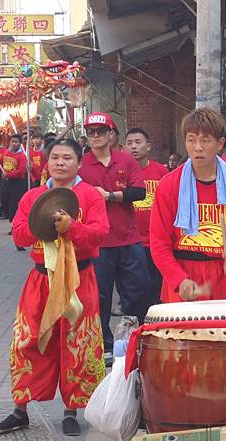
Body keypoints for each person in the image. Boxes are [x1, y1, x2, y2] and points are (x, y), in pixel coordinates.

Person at [0, 138, 109, 436]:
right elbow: (18, 235)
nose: (60, 162)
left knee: (76, 344)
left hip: (78, 281)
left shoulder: (89, 196)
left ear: (79, 163)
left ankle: (71, 410)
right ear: (47, 162)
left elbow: (100, 233)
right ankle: (21, 408)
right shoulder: (32, 197)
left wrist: (73, 227)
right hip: (40, 280)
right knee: (28, 341)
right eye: (55, 157)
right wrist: (41, 223)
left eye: (67, 157)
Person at [150, 107, 226, 302]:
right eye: (191, 140)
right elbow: (159, 242)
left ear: (220, 143)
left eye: (205, 140)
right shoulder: (169, 185)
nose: (197, 147)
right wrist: (178, 279)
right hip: (184, 277)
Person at [78, 112, 149, 359]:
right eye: (91, 132)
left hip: (128, 238)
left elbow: (139, 192)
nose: (95, 136)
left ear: (111, 134)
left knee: (137, 290)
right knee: (100, 296)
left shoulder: (125, 160)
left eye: (100, 131)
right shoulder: (81, 164)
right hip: (97, 242)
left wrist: (109, 196)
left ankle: (132, 339)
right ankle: (105, 345)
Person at [125, 127, 169, 306]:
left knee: (157, 288)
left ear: (148, 146)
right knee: (135, 290)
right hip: (131, 241)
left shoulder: (161, 172)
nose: (133, 147)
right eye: (129, 143)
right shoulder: (123, 173)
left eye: (138, 142)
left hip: (156, 242)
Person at [2, 134, 28, 247]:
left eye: (16, 142)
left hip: (17, 183)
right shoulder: (6, 153)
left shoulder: (22, 156)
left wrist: (9, 175)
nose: (14, 144)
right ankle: (11, 220)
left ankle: (15, 226)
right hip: (6, 181)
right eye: (12, 141)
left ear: (20, 143)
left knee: (15, 204)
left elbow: (21, 171)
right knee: (4, 199)